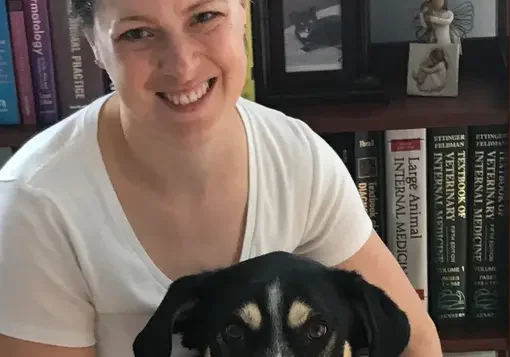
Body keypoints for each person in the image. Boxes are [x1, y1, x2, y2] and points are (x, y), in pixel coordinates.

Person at [0, 0, 443, 356]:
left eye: (204, 16)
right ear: (93, 45)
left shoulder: (296, 157)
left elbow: (415, 341)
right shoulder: (35, 206)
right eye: (137, 32)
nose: (182, 63)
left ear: (244, 12)